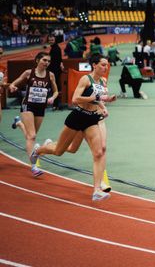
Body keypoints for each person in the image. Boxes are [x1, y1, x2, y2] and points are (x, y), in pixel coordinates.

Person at [29, 54, 117, 201]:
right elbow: (75, 99)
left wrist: (105, 102)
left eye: (107, 65)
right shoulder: (85, 79)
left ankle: (96, 190)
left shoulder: (103, 81)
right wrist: (93, 98)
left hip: (92, 119)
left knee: (98, 153)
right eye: (102, 65)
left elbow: (99, 99)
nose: (105, 67)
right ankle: (38, 150)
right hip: (78, 117)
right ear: (94, 65)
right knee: (59, 151)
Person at [8, 52, 59, 176]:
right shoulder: (28, 73)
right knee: (32, 136)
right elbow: (13, 84)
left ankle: (19, 123)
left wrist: (52, 97)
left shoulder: (50, 75)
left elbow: (56, 91)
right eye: (44, 60)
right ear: (37, 60)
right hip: (28, 105)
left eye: (48, 61)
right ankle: (34, 166)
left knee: (31, 135)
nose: (46, 63)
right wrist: (12, 87)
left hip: (40, 108)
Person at [47, 35, 64, 110]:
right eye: (50, 40)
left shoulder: (56, 49)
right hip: (55, 71)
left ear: (55, 40)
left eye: (52, 40)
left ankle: (56, 104)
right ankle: (55, 104)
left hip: (55, 72)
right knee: (55, 88)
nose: (50, 41)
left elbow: (55, 61)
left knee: (55, 88)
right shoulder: (55, 48)